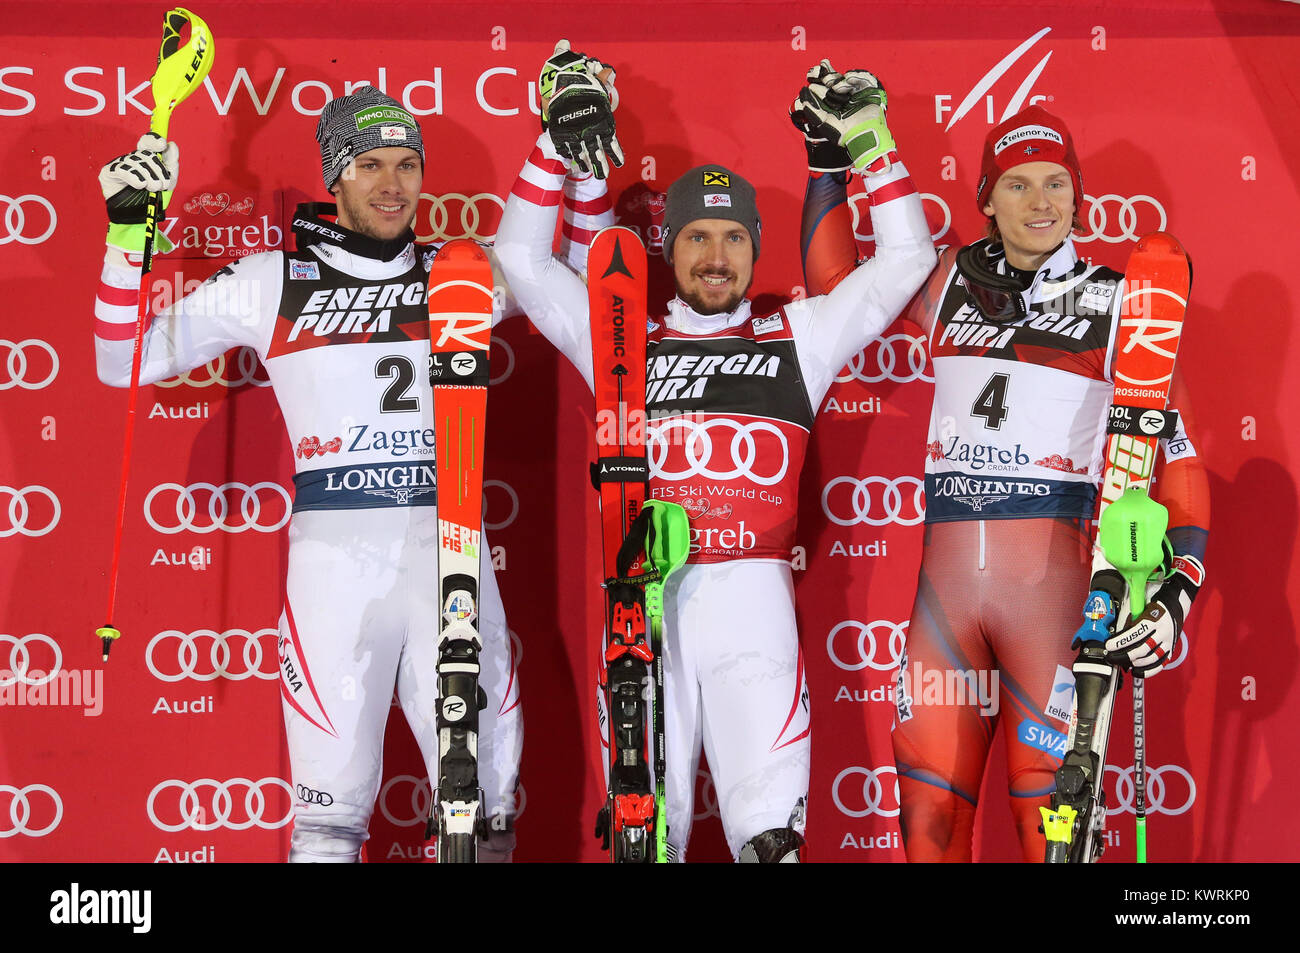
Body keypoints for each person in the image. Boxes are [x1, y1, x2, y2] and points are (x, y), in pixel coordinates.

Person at [92, 86, 601, 862]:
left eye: (406, 164)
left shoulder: (462, 272)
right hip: (335, 566)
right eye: (369, 165)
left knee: (486, 817)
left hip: (451, 550)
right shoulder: (273, 279)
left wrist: (566, 153)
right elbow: (118, 358)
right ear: (335, 176)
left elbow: (589, 292)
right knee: (329, 827)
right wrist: (127, 234)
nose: (392, 183)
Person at [495, 45, 936, 861]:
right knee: (644, 841)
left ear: (755, 248)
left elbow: (907, 259)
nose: (715, 256)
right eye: (698, 236)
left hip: (754, 601)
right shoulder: (621, 332)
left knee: (771, 844)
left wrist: (870, 144)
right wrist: (553, 141)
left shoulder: (799, 336)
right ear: (670, 244)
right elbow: (520, 259)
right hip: (642, 602)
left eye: (734, 237)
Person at [804, 104, 1210, 861]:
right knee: (928, 821)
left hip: (1053, 600)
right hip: (944, 602)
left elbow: (1176, 454)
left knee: (1052, 822)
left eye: (1057, 184)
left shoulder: (1124, 301)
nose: (1042, 203)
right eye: (1019, 185)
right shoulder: (950, 282)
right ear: (987, 197)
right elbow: (835, 287)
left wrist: (1177, 589)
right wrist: (827, 167)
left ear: (1078, 195)